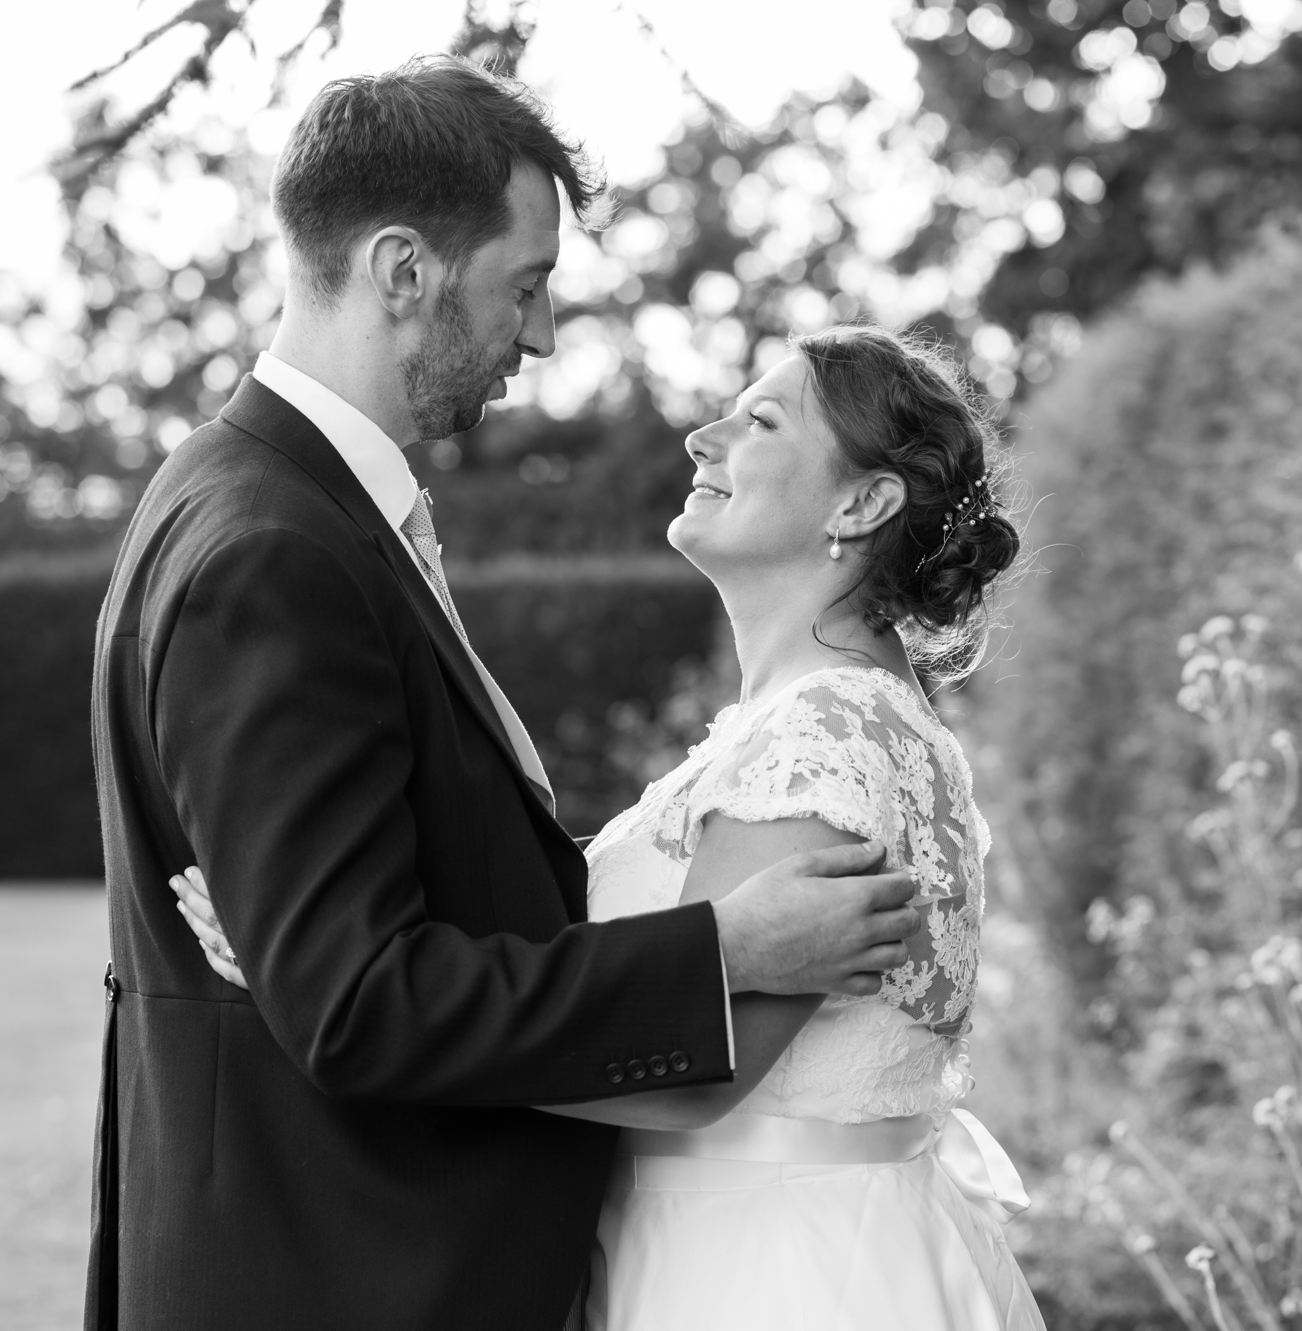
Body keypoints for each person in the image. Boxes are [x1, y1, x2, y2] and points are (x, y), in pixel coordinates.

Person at [86, 56, 923, 1331]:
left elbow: (383, 936)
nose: (537, 335)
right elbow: (358, 1004)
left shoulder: (247, 497)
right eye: (523, 286)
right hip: (340, 1278)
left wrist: (300, 969)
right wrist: (726, 947)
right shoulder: (276, 551)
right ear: (403, 270)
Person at [172, 323, 1047, 1329]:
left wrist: (333, 999)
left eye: (758, 419)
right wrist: (335, 959)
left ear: (861, 501)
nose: (701, 437)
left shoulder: (826, 736)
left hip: (771, 1276)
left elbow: (689, 1071)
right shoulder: (820, 720)